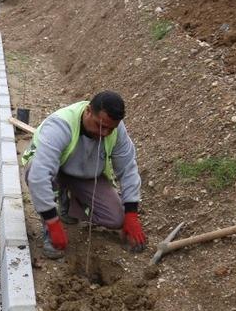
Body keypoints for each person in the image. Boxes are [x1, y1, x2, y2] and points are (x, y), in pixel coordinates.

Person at [21, 91, 146, 259]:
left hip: (83, 175)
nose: (105, 133)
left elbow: (128, 169)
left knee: (116, 219)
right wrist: (52, 222)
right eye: (100, 126)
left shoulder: (116, 129)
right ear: (88, 111)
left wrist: (131, 214)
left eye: (111, 128)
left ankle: (68, 203)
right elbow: (39, 175)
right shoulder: (60, 125)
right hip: (53, 171)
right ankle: (50, 227)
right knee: (35, 171)